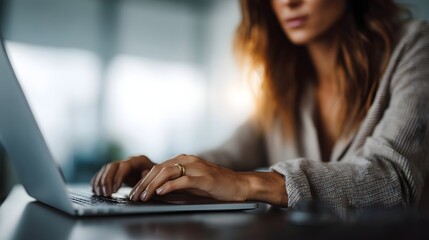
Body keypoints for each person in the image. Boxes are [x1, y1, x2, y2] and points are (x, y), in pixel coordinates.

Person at [91, 0, 429, 208]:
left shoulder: (415, 46)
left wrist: (247, 184)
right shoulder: (284, 82)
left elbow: (394, 181)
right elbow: (227, 158)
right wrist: (164, 173)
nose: (288, 2)